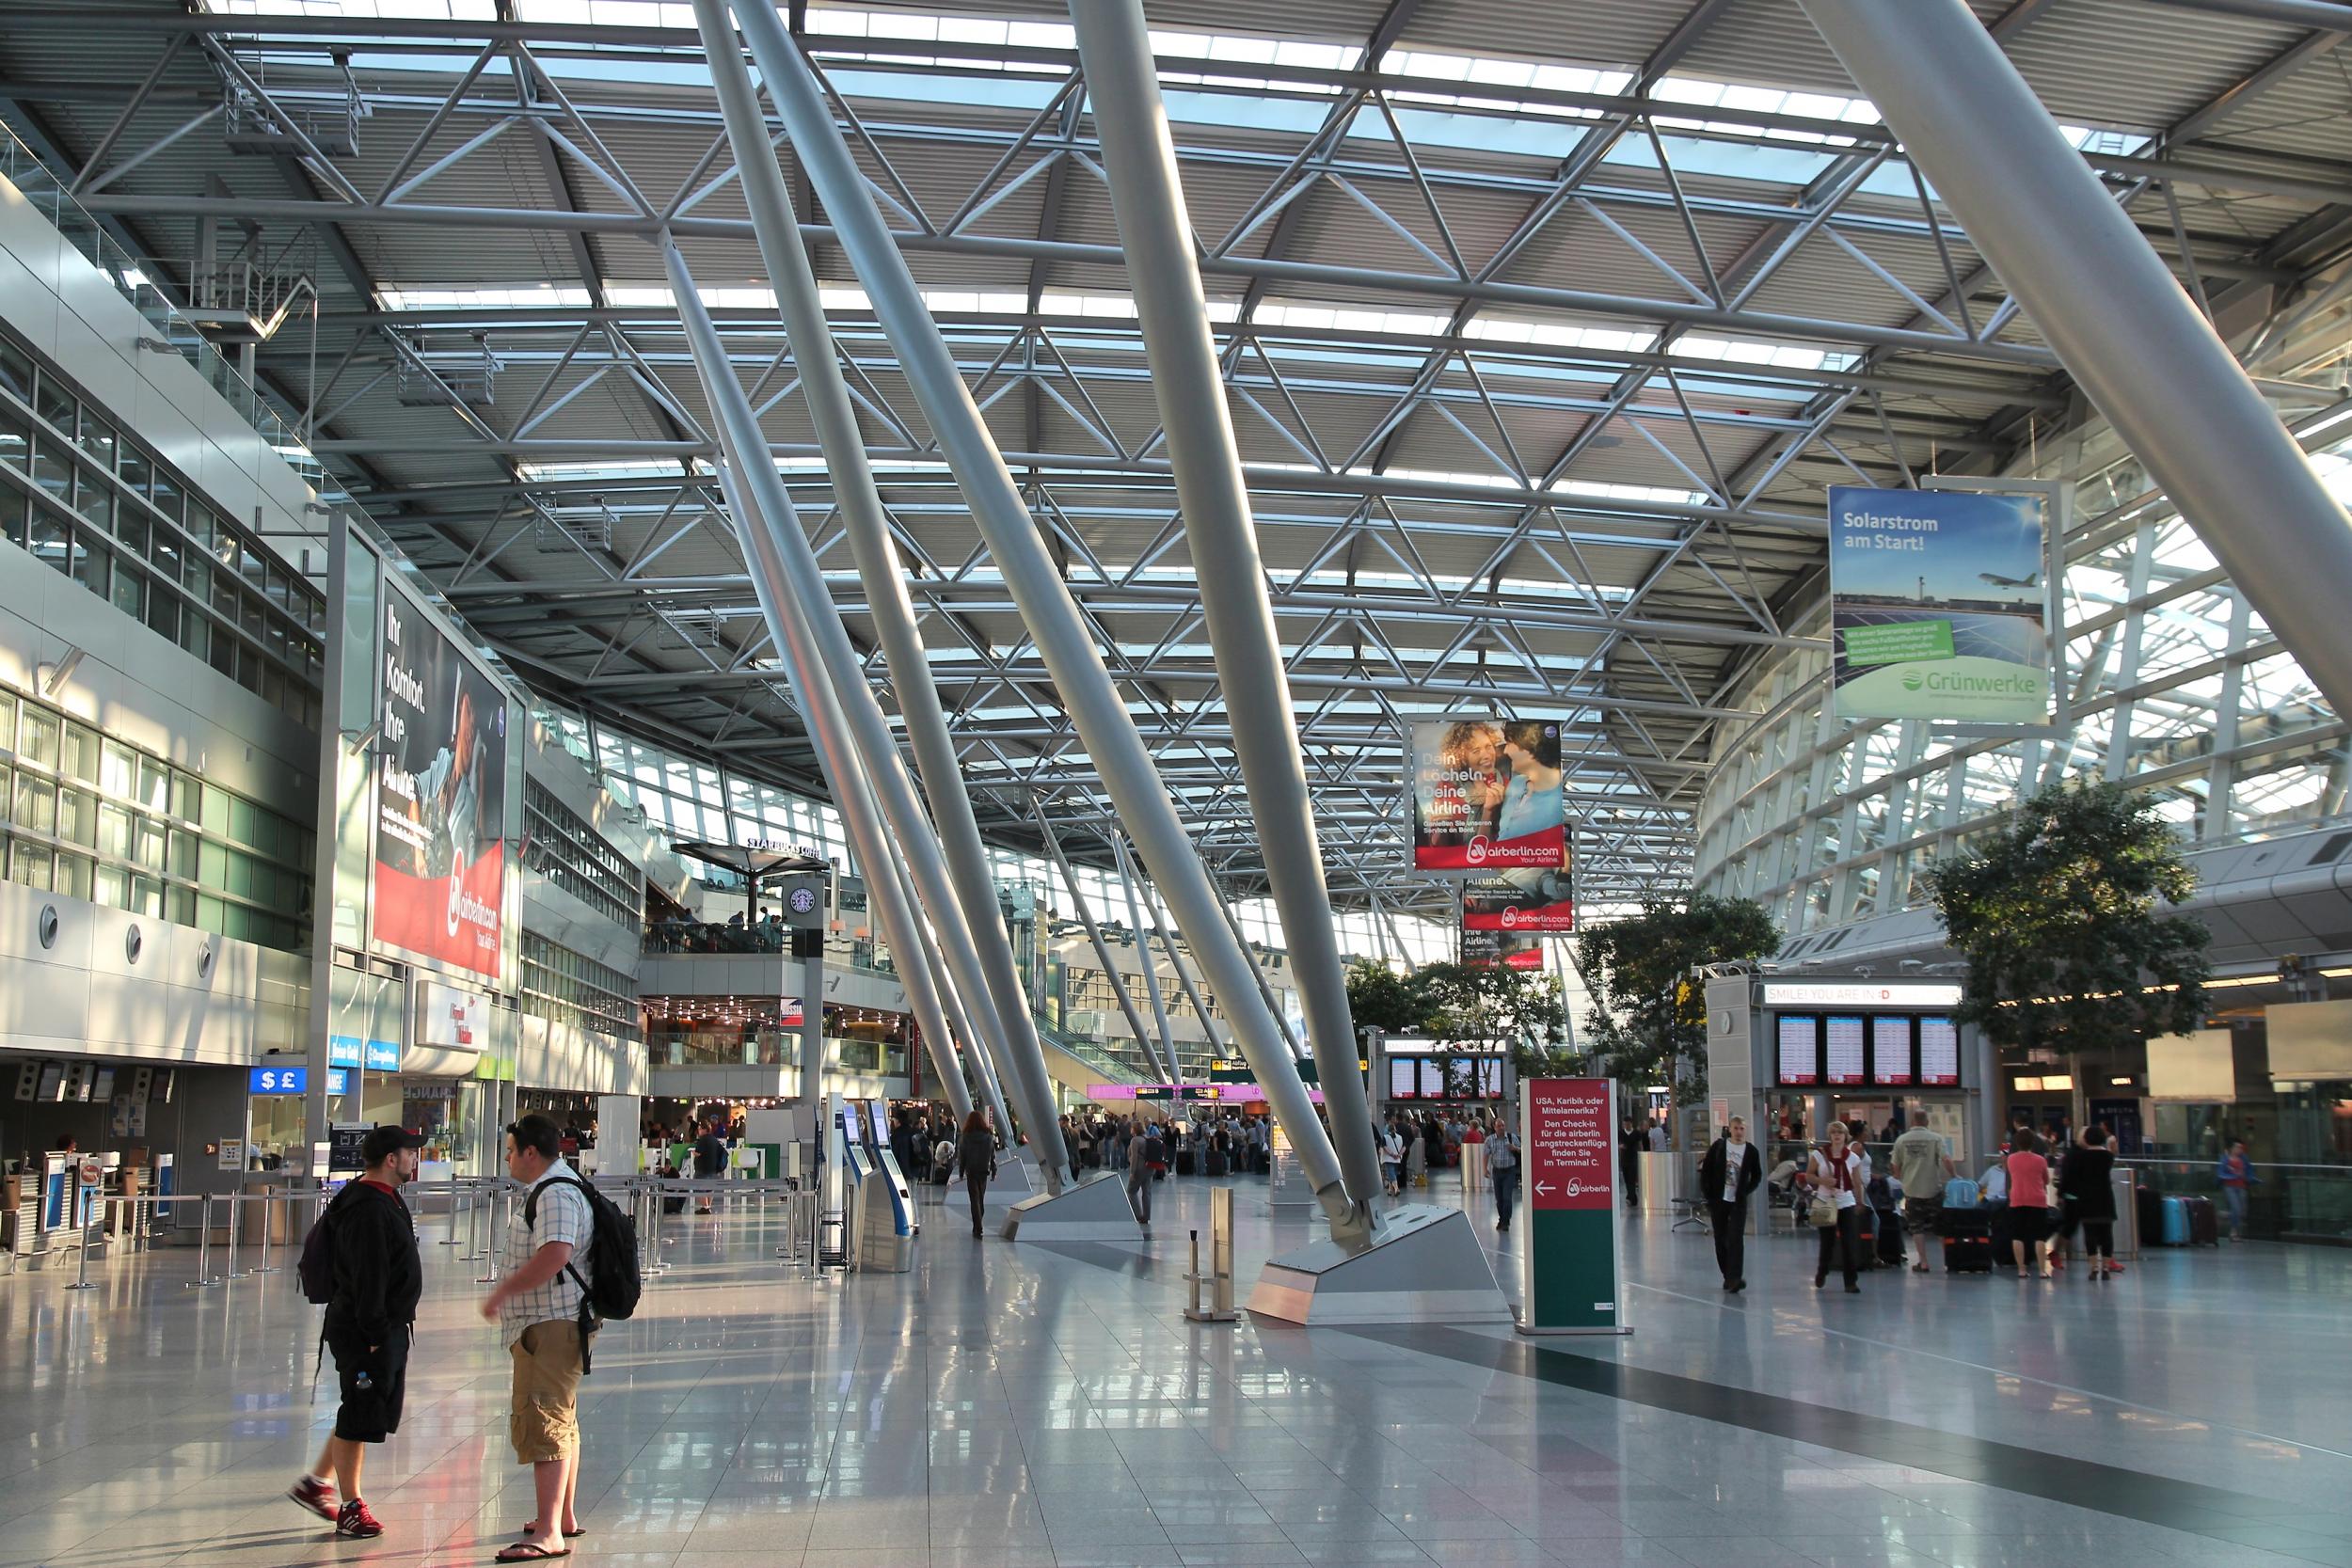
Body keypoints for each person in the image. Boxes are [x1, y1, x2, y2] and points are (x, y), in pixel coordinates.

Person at [288, 1126, 425, 1539]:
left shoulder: (379, 1197)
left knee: (361, 1407)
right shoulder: (368, 1208)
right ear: (391, 1159)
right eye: (409, 1153)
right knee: (359, 1410)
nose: (414, 1160)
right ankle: (351, 1506)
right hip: (365, 1327)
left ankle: (316, 1484)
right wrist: (375, 1333)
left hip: (376, 1324)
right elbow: (369, 1276)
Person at [480, 1115, 595, 1564]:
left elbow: (556, 1254)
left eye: (511, 1150)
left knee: (544, 1417)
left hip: (551, 1323)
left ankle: (549, 1532)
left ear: (531, 1152)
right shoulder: (558, 1187)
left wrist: (504, 1289)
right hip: (553, 1322)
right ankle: (560, 1515)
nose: (508, 1157)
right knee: (560, 1416)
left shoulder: (556, 1193)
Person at [1700, 1116, 1763, 1291]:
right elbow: (1706, 1171)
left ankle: (1735, 1277)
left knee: (1736, 1238)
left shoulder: (1751, 1151)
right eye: (1736, 1128)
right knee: (1720, 1238)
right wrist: (1708, 1195)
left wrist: (1746, 1190)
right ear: (1730, 1129)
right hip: (1719, 1200)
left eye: (1742, 1128)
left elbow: (1757, 1175)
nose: (1739, 1132)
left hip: (1738, 1202)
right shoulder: (1719, 1147)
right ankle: (1727, 1275)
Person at [1803, 1121, 1865, 1292]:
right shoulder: (1819, 1154)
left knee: (1849, 1243)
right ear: (1829, 1136)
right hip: (1824, 1200)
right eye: (1834, 1133)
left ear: (1846, 1136)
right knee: (1827, 1242)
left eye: (1840, 1132)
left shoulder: (1853, 1158)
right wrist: (1822, 1181)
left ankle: (1850, 1281)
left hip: (1846, 1201)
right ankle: (1822, 1270)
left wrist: (1860, 1201)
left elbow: (1857, 1182)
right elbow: (1808, 1175)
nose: (1837, 1136)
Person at [1888, 1120, 1956, 1275]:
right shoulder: (1936, 1138)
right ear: (1927, 1122)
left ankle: (1923, 1262)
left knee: (1916, 1227)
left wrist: (1899, 1177)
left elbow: (1895, 1164)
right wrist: (1954, 1175)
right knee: (1940, 1227)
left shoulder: (1902, 1139)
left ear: (1912, 1122)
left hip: (1912, 1190)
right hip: (1933, 1190)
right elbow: (1946, 1159)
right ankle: (1948, 1262)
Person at [2066, 1126, 2121, 1279]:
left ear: (2087, 1139)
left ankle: (2093, 1267)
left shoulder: (2080, 1157)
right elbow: (2113, 1155)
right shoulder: (2108, 1157)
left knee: (2090, 1234)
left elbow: (2076, 1177)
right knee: (2107, 1234)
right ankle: (2106, 1268)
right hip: (2105, 1198)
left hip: (2087, 1199)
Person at [2005, 1131, 2054, 1278]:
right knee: (2039, 1236)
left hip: (2017, 1199)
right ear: (2033, 1143)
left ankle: (2021, 1269)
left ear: (2017, 1143)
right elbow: (2046, 1180)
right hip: (2037, 1200)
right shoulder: (2040, 1160)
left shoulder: (2011, 1159)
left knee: (2018, 1235)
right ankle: (2041, 1270)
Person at [957, 1109, 994, 1238]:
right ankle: (978, 1224)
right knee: (981, 1199)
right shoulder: (989, 1137)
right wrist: (994, 1170)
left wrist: (961, 1172)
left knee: (974, 1200)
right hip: (984, 1171)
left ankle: (977, 1227)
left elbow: (963, 1156)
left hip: (971, 1171)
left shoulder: (966, 1137)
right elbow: (992, 1156)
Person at [2217, 1140, 2258, 1240]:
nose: (2239, 1149)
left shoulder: (2244, 1159)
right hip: (2230, 1186)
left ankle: (2225, 1214)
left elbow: (2249, 1170)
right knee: (2236, 1208)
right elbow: (2220, 1172)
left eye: (2241, 1147)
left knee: (2242, 1211)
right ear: (2232, 1148)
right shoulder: (2225, 1159)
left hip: (2241, 1186)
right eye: (2237, 1147)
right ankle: (2233, 1232)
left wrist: (2248, 1177)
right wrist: (2232, 1173)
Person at [691, 1116, 728, 1214]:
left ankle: (705, 1207)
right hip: (713, 1168)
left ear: (704, 1129)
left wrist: (694, 1153)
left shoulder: (703, 1140)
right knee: (709, 1188)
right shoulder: (714, 1139)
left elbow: (699, 1152)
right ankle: (708, 1206)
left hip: (703, 1168)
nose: (698, 1131)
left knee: (699, 1187)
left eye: (699, 1129)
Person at [1488, 1120, 1520, 1232]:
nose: (1501, 1128)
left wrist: (1515, 1148)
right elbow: (1485, 1154)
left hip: (1509, 1171)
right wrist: (1484, 1169)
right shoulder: (1490, 1140)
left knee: (1507, 1197)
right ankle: (1501, 1219)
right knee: (1499, 1199)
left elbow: (1523, 1150)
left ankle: (1506, 1221)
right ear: (1494, 1127)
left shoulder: (1512, 1138)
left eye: (1503, 1125)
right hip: (1497, 1171)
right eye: (1499, 1126)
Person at [1125, 1117, 1155, 1227]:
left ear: (1135, 1129)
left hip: (1139, 1169)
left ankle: (1138, 1215)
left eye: (1131, 1128)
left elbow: (1134, 1158)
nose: (1130, 1130)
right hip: (1150, 1169)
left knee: (1131, 1191)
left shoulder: (1135, 1140)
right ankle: (1147, 1216)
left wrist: (1132, 1172)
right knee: (1147, 1192)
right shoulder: (1147, 1138)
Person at [1618, 1117, 1644, 1210]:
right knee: (1626, 1179)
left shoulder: (1636, 1133)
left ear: (1631, 1123)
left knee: (1632, 1179)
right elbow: (1616, 1143)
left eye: (1628, 1124)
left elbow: (1640, 1145)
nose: (1626, 1125)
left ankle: (1630, 1197)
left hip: (1633, 1158)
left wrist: (1641, 1155)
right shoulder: (1620, 1133)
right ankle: (1633, 1198)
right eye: (1625, 1124)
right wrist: (1620, 1146)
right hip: (1624, 1159)